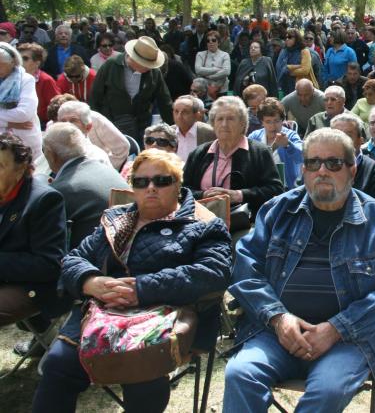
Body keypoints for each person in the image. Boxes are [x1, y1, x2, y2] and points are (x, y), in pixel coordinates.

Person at [223, 128, 375, 412]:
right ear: (303, 170)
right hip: (277, 334)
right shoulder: (277, 211)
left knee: (328, 390)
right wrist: (278, 318)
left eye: (333, 163)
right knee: (241, 374)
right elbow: (245, 269)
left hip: (351, 340)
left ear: (352, 169)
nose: (322, 171)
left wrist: (336, 329)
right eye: (313, 163)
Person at [33, 149, 231, 413]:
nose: (150, 188)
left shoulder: (203, 224)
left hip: (161, 315)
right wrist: (90, 281)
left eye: (161, 181)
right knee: (57, 365)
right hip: (101, 314)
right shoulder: (116, 219)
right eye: (140, 182)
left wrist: (140, 289)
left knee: (143, 376)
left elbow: (213, 272)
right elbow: (73, 259)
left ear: (178, 184)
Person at [0, 133, 66, 358]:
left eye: (0, 165)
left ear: (21, 169)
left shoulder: (43, 200)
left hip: (32, 285)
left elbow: (48, 264)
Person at [183, 96, 284, 218]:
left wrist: (238, 195)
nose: (224, 124)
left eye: (230, 119)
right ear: (213, 124)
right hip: (201, 222)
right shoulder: (199, 153)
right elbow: (182, 191)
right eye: (220, 119)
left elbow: (275, 190)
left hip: (246, 224)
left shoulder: (259, 152)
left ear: (242, 123)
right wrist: (204, 195)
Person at [42, 123, 128, 248]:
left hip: (92, 258)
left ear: (51, 154)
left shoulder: (59, 191)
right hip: (126, 248)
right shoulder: (106, 169)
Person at [88, 35, 174, 140]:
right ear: (134, 58)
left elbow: (165, 101)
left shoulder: (154, 73)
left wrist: (174, 127)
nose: (149, 68)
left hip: (141, 126)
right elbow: (95, 97)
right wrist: (96, 126)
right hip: (111, 126)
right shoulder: (110, 66)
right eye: (146, 64)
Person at [248, 98, 304, 189]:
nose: (273, 126)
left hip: (286, 188)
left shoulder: (290, 135)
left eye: (276, 121)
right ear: (262, 122)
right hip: (262, 187)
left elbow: (302, 157)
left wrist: (288, 145)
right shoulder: (254, 136)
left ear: (283, 120)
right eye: (268, 122)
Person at [0, 42, 43, 158]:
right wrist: (9, 122)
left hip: (25, 143)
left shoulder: (26, 80)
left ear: (12, 62)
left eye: (1, 64)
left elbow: (24, 114)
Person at [330, 113, 375, 201]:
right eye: (336, 136)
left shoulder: (372, 169)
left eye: (348, 136)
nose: (341, 141)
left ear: (361, 140)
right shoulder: (319, 166)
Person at [57, 101, 118, 167]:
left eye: (73, 120)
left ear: (88, 127)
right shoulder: (56, 152)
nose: (67, 125)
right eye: (63, 121)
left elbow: (123, 147)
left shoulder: (97, 158)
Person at [18, 42, 61, 126]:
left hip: (40, 124)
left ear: (37, 63)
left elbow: (56, 107)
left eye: (25, 58)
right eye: (19, 58)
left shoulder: (46, 80)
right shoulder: (14, 79)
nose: (21, 62)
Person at [172, 95, 216, 162]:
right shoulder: (168, 133)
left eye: (185, 112)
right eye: (176, 111)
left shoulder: (209, 133)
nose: (179, 116)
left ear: (196, 115)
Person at [277, 28, 318, 95]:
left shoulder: (304, 51)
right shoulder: (283, 51)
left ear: (297, 39)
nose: (287, 39)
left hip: (301, 85)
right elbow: (279, 67)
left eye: (290, 37)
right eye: (286, 37)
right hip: (285, 84)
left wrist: (288, 69)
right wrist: (298, 66)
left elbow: (305, 70)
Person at [194, 29, 231, 96]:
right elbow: (198, 70)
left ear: (218, 42)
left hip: (222, 90)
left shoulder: (225, 55)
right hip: (205, 91)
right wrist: (216, 69)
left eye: (213, 40)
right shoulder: (200, 54)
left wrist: (209, 76)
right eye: (208, 41)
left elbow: (226, 71)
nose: (211, 42)